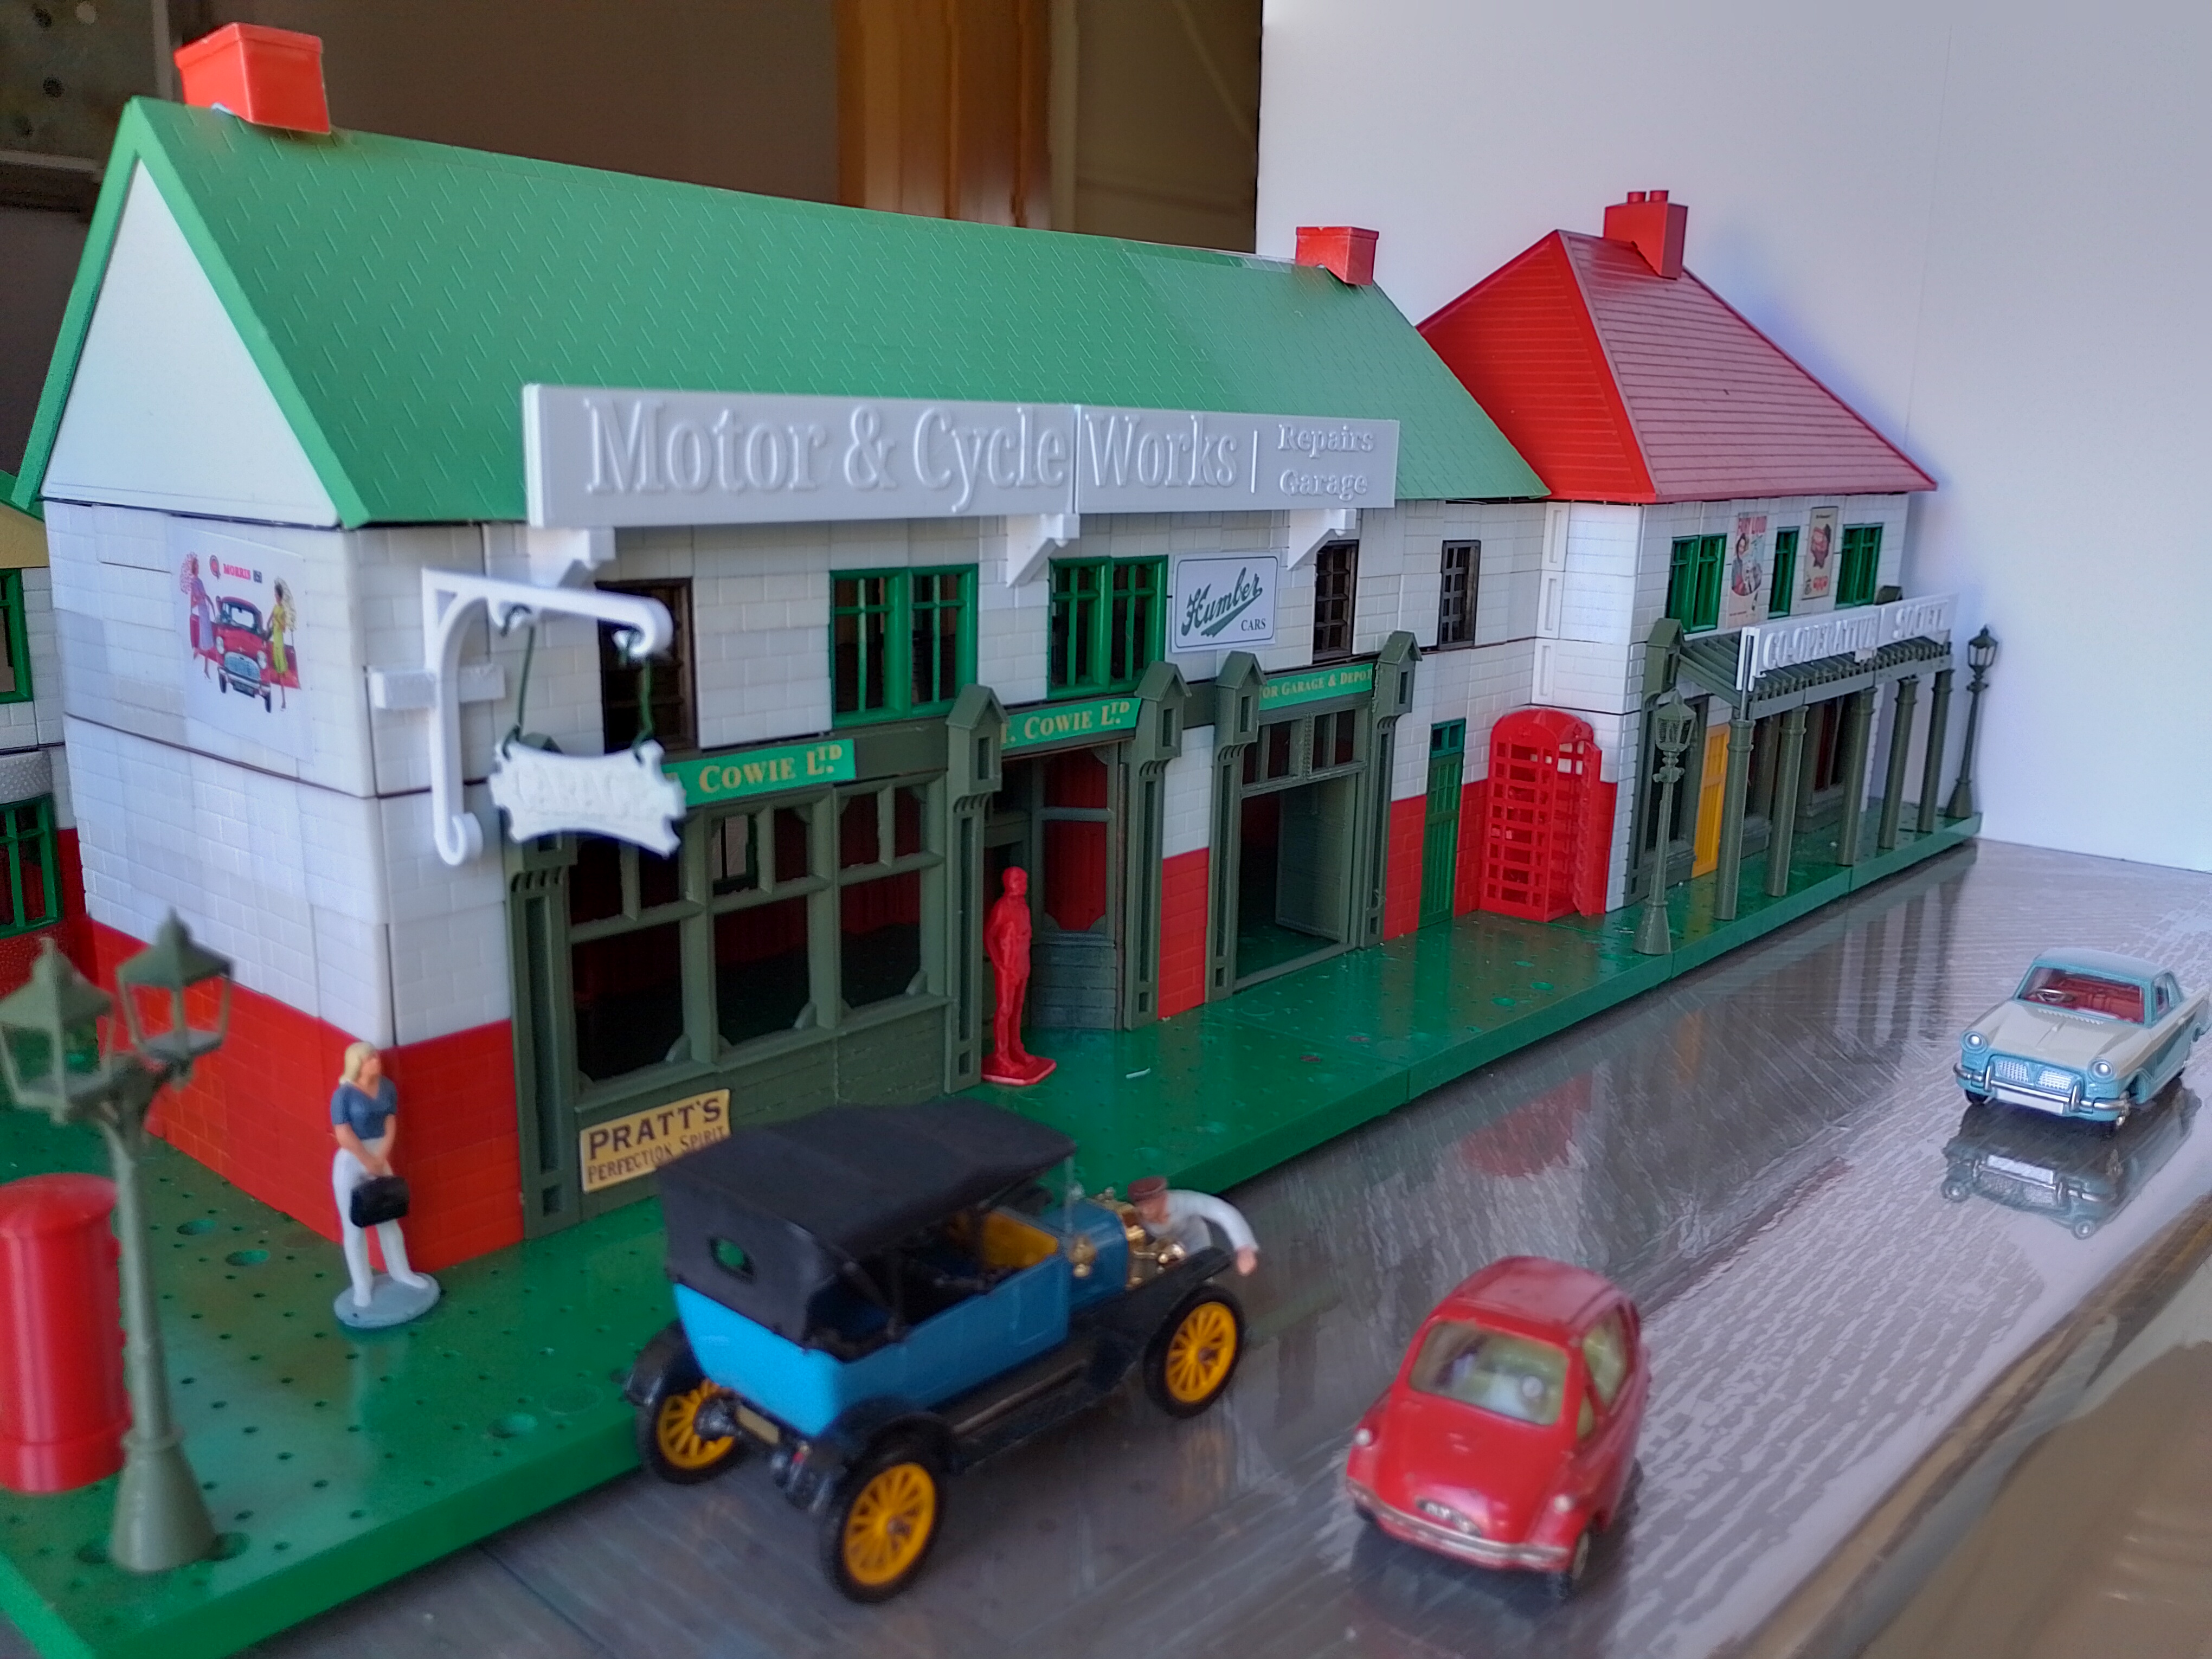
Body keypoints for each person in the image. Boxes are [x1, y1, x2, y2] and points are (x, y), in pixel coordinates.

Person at [330, 1041, 432, 1311]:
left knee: (389, 1219)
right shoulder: (343, 1095)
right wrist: (367, 1161)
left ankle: (401, 1272)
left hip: (379, 1156)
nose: (377, 1060)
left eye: (376, 1056)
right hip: (352, 1161)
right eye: (370, 1058)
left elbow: (390, 1121)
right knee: (354, 1227)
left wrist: (380, 1157)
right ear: (358, 1064)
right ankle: (362, 1285)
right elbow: (343, 1133)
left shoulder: (386, 1086)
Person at [1129, 1175, 1259, 1276]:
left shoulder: (1182, 1202)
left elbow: (1220, 1211)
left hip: (1194, 1245)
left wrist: (1244, 1248)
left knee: (1202, 1277)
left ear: (1162, 1198)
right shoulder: (1136, 1215)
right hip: (1158, 1257)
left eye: (1150, 1205)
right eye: (1141, 1205)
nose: (1145, 1211)